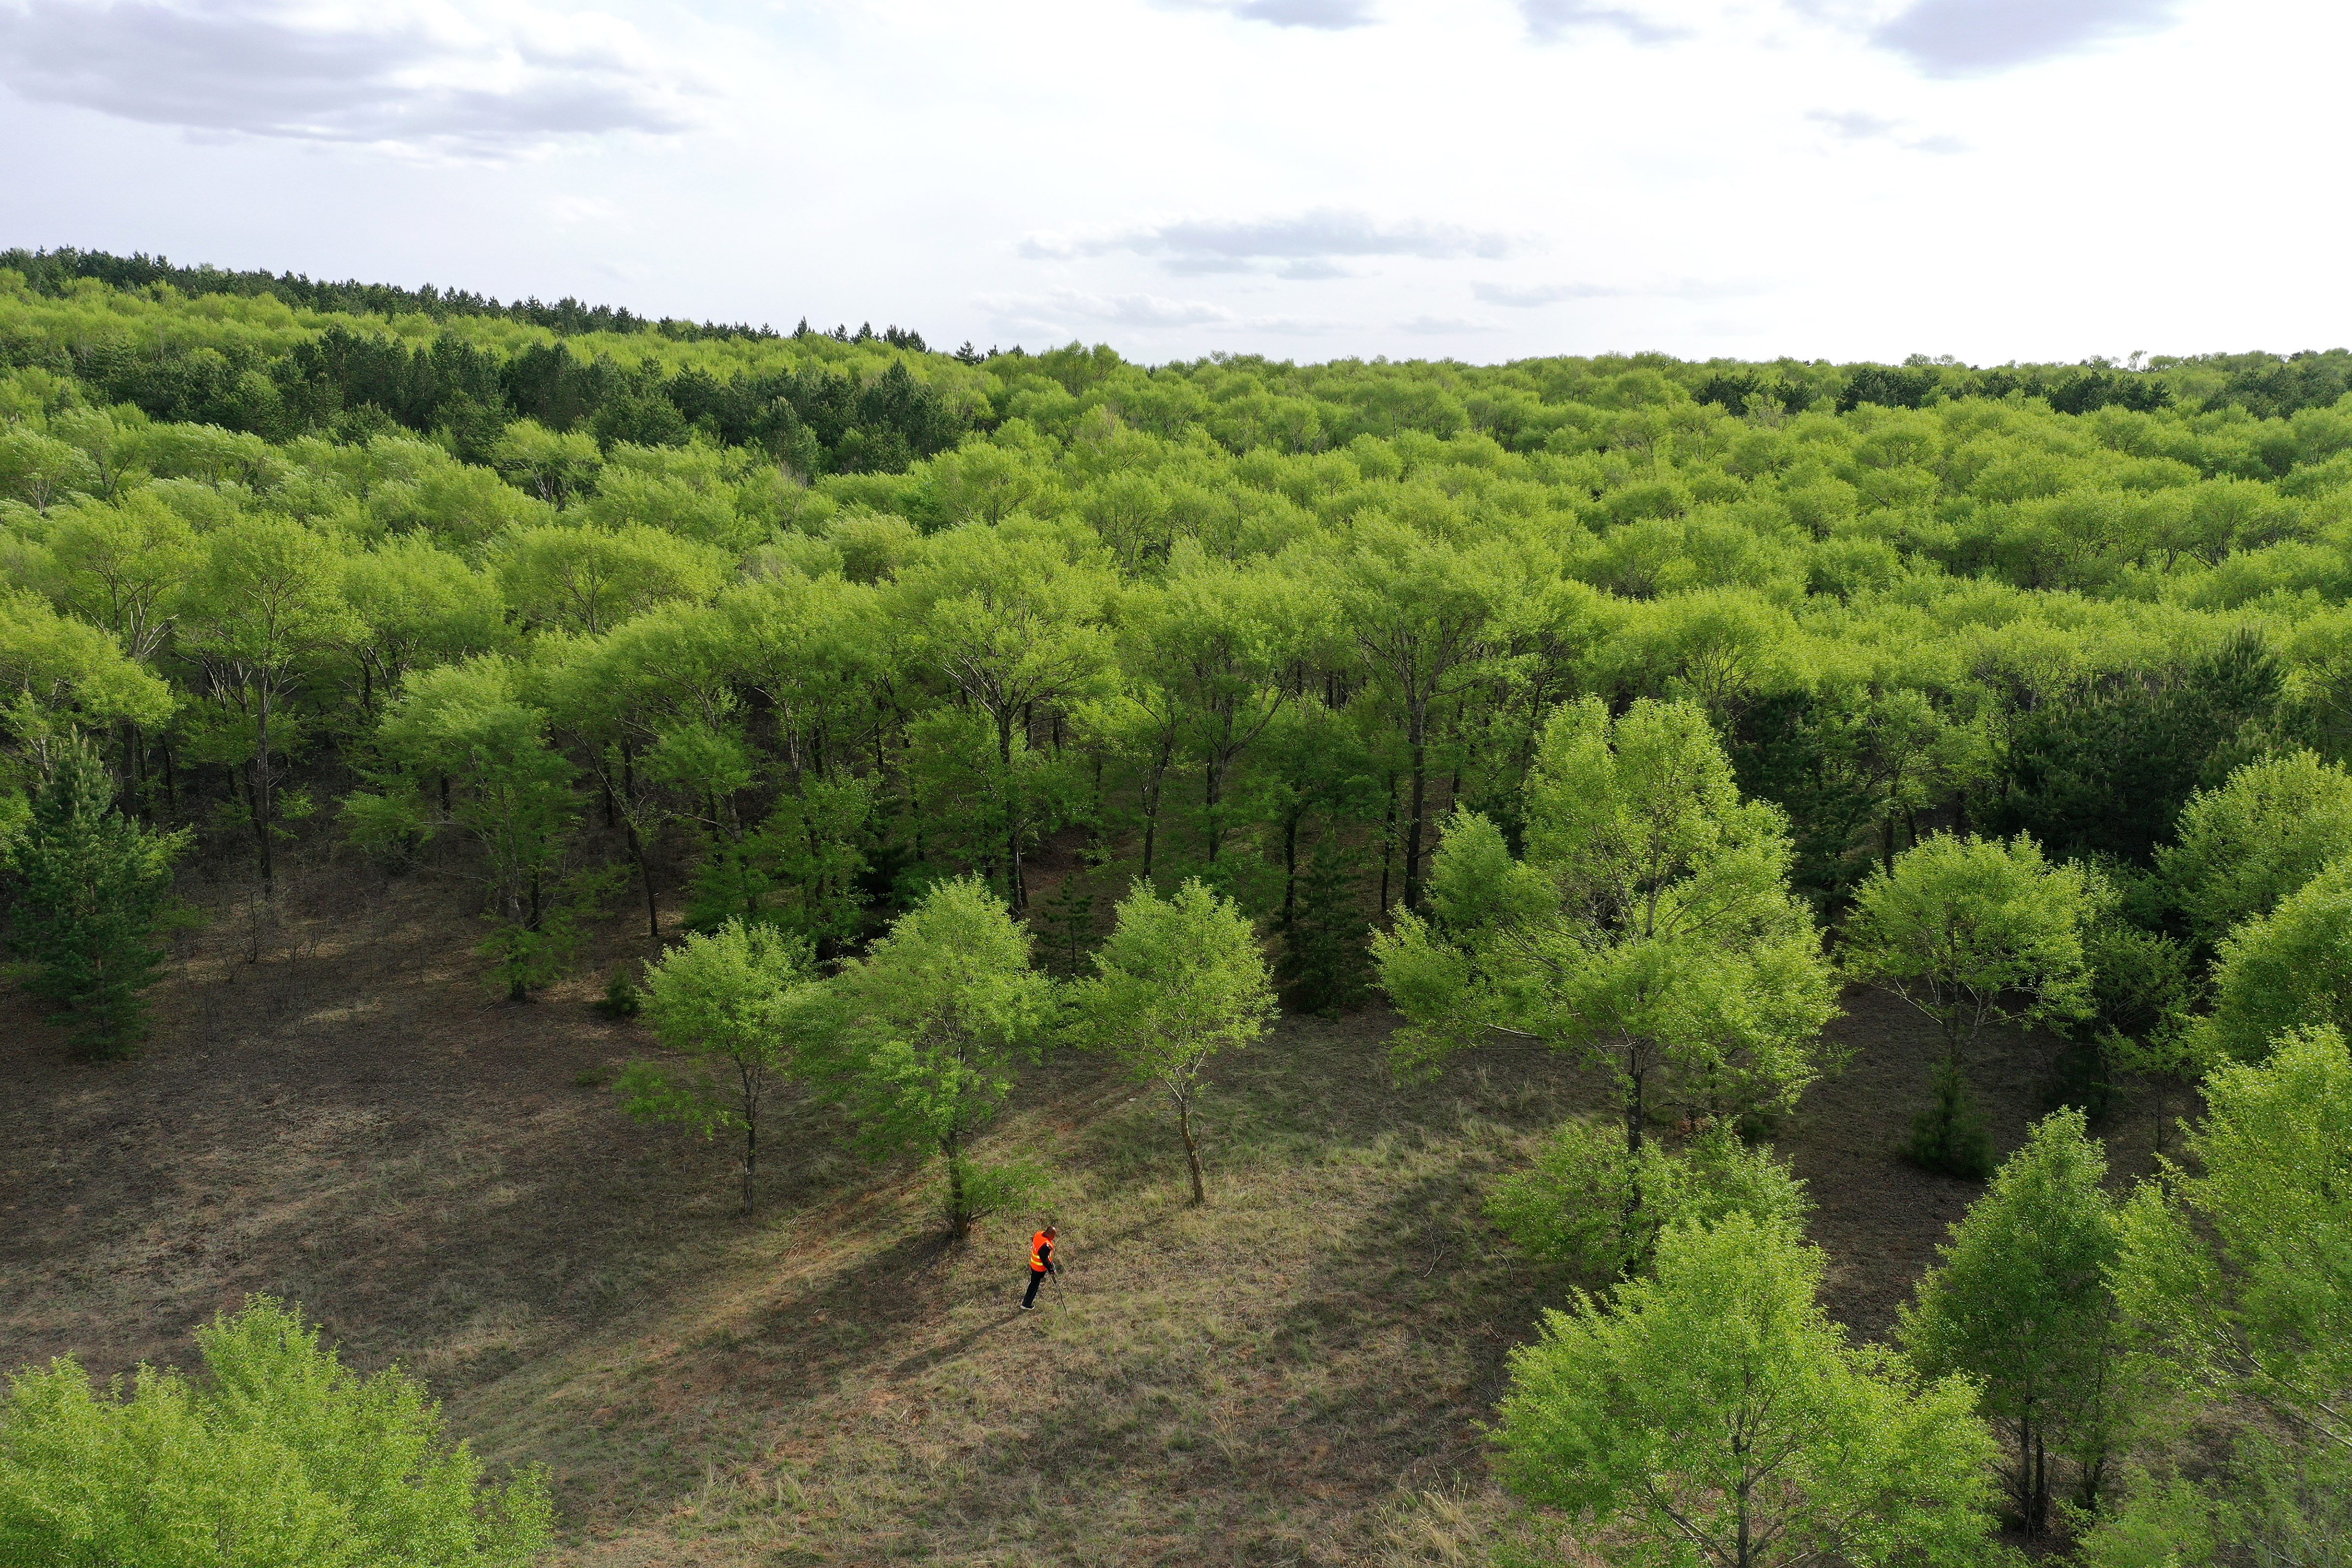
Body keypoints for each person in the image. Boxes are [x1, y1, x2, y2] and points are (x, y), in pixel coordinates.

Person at [1022, 1225, 1058, 1310]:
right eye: (1053, 1235)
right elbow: (1044, 1260)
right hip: (1039, 1269)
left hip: (1033, 1265)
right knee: (1034, 1285)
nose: (1054, 1237)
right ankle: (1026, 1304)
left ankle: (1027, 1303)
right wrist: (1051, 1270)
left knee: (1033, 1283)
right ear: (1049, 1234)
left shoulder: (1039, 1235)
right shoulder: (1046, 1246)